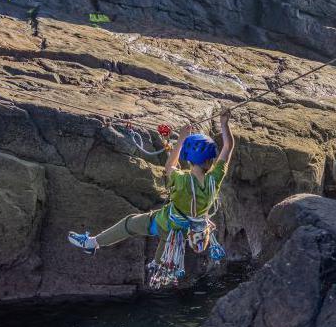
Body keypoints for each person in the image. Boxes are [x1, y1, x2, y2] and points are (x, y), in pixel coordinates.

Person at [67, 110, 236, 288]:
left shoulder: (181, 179)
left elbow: (169, 164)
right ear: (211, 160)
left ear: (188, 159)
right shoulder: (214, 179)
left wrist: (181, 138)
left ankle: (91, 244)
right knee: (162, 253)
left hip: (166, 224)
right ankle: (162, 267)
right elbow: (228, 147)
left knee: (129, 224)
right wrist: (224, 124)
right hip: (188, 230)